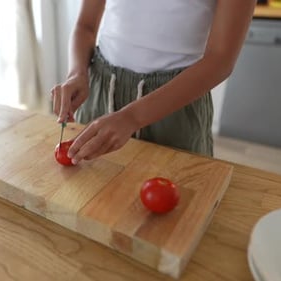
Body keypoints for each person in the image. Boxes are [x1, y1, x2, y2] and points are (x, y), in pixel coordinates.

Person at [50, 0, 255, 165]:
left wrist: (132, 116)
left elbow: (220, 60)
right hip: (101, 92)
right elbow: (85, 26)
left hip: (174, 105)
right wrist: (77, 74)